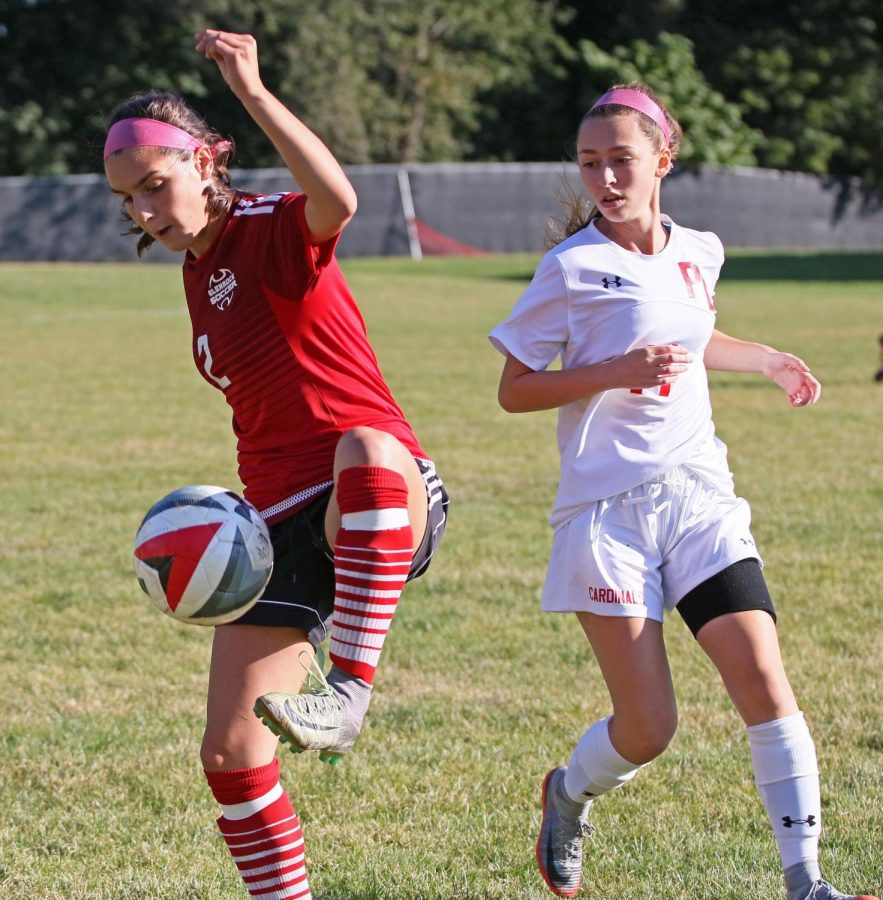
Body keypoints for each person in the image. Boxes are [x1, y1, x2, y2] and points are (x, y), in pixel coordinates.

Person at [490, 84, 876, 900]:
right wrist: (615, 374)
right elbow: (515, 389)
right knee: (648, 729)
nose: (604, 177)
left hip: (698, 496)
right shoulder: (570, 267)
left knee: (763, 679)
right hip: (606, 513)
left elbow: (692, 333)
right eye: (590, 163)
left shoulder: (699, 248)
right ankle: (568, 792)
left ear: (663, 159)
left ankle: (806, 883)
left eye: (621, 160)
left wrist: (766, 358)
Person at [104, 28, 448, 899]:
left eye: (156, 186)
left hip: (378, 493)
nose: (146, 211)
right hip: (277, 529)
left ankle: (350, 691)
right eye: (129, 201)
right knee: (230, 752)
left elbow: (336, 199)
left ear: (207, 161)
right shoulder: (197, 270)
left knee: (366, 448)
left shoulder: (264, 224)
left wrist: (253, 93)